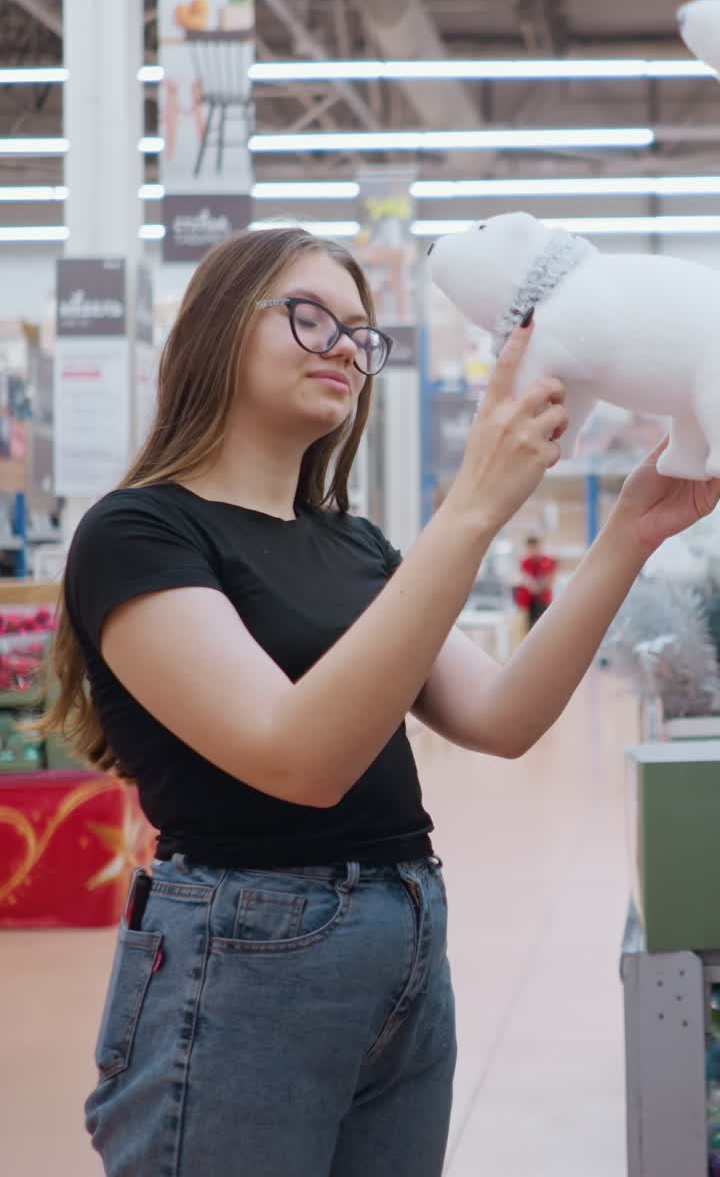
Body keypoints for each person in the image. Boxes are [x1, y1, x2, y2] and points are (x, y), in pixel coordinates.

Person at [41, 226, 720, 1177]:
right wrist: (474, 504)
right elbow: (299, 761)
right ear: (214, 329)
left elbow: (502, 717)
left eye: (362, 334)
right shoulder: (139, 532)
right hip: (243, 956)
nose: (345, 351)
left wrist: (626, 539)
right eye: (309, 316)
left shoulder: (352, 544)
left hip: (403, 936)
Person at [516, 533, 557, 630]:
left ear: (539, 547)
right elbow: (525, 579)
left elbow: (549, 579)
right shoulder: (525, 562)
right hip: (529, 601)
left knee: (544, 627)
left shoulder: (547, 561)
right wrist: (533, 586)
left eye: (534, 547)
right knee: (530, 628)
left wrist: (537, 587)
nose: (532, 550)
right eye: (530, 548)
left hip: (544, 600)